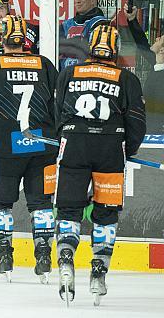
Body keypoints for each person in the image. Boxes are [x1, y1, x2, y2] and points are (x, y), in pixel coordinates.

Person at [54, 25, 146, 303]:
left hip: (74, 145)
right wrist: (124, 152)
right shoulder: (126, 79)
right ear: (115, 49)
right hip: (109, 148)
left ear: (89, 46)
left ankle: (67, 258)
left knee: (69, 209)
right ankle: (98, 270)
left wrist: (67, 137)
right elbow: (137, 124)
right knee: (105, 212)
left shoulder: (69, 73)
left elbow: (56, 111)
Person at [0, 15, 59, 282]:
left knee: (1, 204)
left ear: (2, 37)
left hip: (5, 148)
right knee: (41, 204)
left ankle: (5, 254)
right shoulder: (44, 65)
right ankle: (43, 252)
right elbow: (58, 103)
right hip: (41, 147)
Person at [59, 0, 108, 69]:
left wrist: (69, 45)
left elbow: (91, 50)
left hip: (89, 75)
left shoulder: (101, 23)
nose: (77, 1)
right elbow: (58, 48)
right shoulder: (66, 24)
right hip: (65, 76)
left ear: (92, 0)